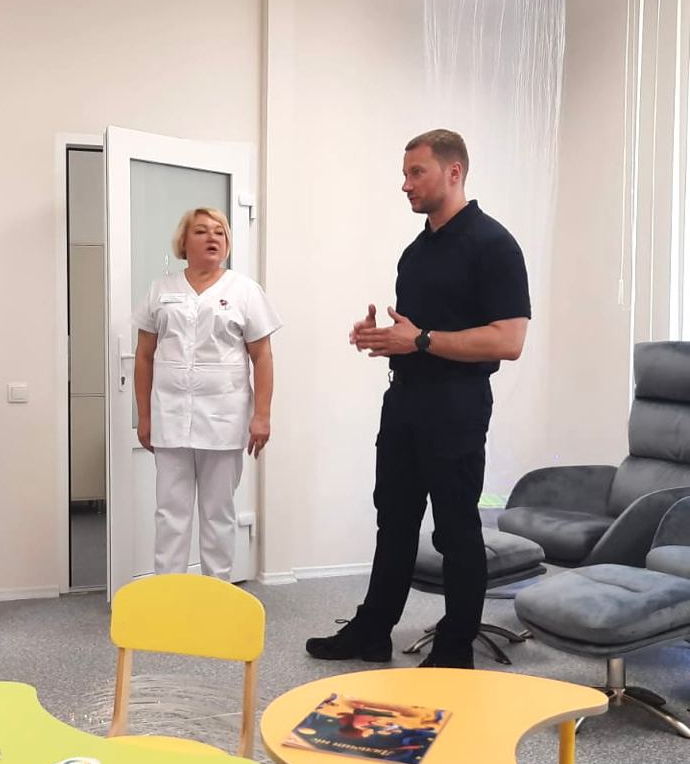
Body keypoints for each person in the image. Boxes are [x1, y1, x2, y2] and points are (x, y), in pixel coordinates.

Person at [306, 129, 530, 670]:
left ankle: (455, 651)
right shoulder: (415, 252)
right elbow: (415, 334)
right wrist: (383, 340)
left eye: (416, 173)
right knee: (395, 520)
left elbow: (509, 340)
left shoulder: (493, 245)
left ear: (454, 173)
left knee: (455, 527)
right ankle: (372, 631)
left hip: (457, 404)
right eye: (405, 173)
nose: (405, 184)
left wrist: (422, 340)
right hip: (404, 401)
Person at [134, 208, 280, 580]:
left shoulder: (245, 291)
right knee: (171, 513)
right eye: (201, 231)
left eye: (220, 232)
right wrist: (144, 416)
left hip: (225, 418)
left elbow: (262, 357)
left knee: (218, 513)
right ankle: (168, 594)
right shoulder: (161, 289)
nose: (212, 238)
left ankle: (217, 595)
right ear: (184, 242)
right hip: (170, 416)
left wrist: (261, 415)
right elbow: (144, 356)